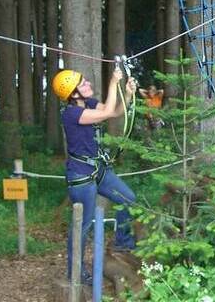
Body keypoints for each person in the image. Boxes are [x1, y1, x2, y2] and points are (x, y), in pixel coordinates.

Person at [51, 66, 137, 284]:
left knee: (128, 199)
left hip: (99, 170)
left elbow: (115, 112)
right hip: (81, 176)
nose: (87, 84)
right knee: (84, 225)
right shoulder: (72, 114)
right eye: (82, 84)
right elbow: (107, 113)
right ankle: (75, 271)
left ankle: (122, 243)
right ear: (72, 94)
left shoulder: (87, 104)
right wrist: (112, 83)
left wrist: (126, 93)